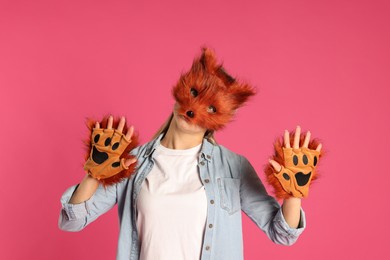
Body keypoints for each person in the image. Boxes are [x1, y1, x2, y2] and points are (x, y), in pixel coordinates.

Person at [58, 48, 321, 260]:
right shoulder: (130, 163)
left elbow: (282, 233)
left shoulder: (233, 167)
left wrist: (293, 194)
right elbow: (73, 221)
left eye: (210, 107)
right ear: (181, 88)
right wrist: (95, 173)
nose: (194, 109)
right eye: (194, 93)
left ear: (221, 118)